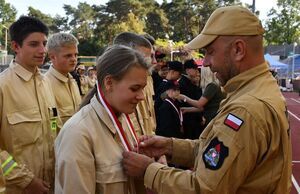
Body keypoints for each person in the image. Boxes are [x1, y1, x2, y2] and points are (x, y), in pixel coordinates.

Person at [122, 5, 291, 194]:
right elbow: (214, 153)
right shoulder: (259, 89)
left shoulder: (246, 108)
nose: (207, 62)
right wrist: (170, 146)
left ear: (238, 50)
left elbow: (203, 188)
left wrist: (148, 171)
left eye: (210, 51)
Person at [55, 45, 149, 194]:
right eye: (134, 88)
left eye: (142, 88)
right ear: (109, 82)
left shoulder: (123, 118)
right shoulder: (78, 134)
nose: (142, 96)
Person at [0, 16, 60, 194]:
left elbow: (54, 125)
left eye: (44, 43)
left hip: (50, 184)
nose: (42, 50)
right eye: (34, 44)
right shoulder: (3, 87)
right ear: (15, 47)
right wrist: (25, 180)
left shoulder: (45, 83)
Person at [113, 32, 157, 136]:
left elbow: (147, 116)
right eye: (147, 58)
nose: (154, 62)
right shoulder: (115, 92)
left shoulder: (146, 79)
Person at [45, 32, 82, 125]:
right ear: (52, 57)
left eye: (76, 55)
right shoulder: (45, 84)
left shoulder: (72, 81)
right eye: (68, 55)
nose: (74, 59)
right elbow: (52, 124)